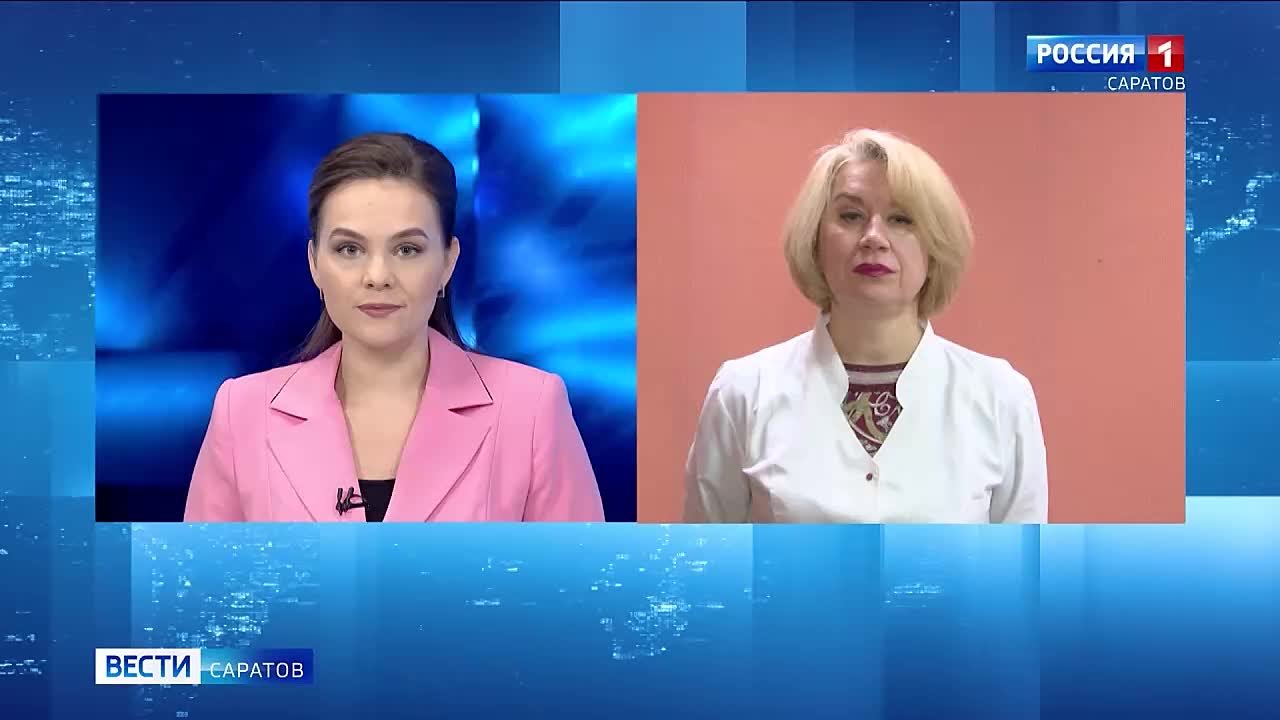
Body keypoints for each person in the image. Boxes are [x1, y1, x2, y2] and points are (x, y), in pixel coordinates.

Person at [185, 132, 605, 522]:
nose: (377, 276)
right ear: (314, 263)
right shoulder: (243, 413)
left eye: (407, 249)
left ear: (447, 262)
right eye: (349, 249)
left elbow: (580, 578)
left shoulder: (531, 411)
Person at [683, 129, 1048, 524]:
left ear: (936, 247)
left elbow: (1021, 563)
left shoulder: (1001, 397)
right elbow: (708, 558)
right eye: (851, 216)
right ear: (815, 240)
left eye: (901, 219)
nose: (874, 238)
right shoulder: (743, 392)